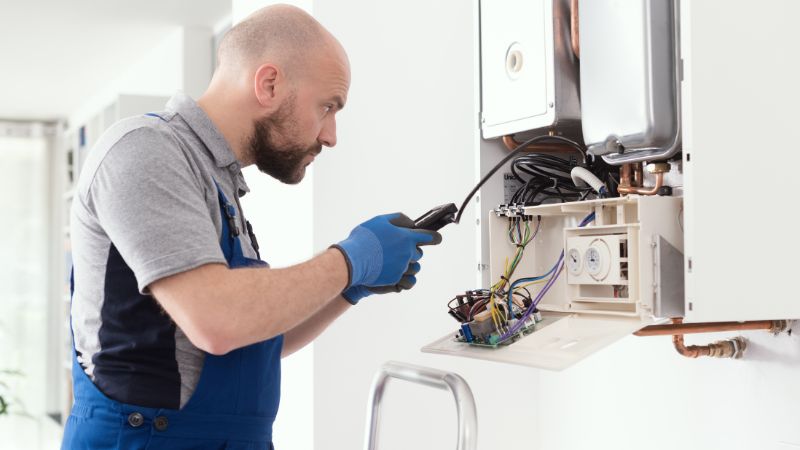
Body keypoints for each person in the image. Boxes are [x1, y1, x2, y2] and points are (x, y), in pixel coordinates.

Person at [61, 4, 442, 449]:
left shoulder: (218, 182)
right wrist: (351, 260)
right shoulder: (145, 151)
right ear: (269, 84)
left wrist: (349, 289)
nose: (331, 134)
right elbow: (217, 320)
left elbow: (253, 337)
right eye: (327, 107)